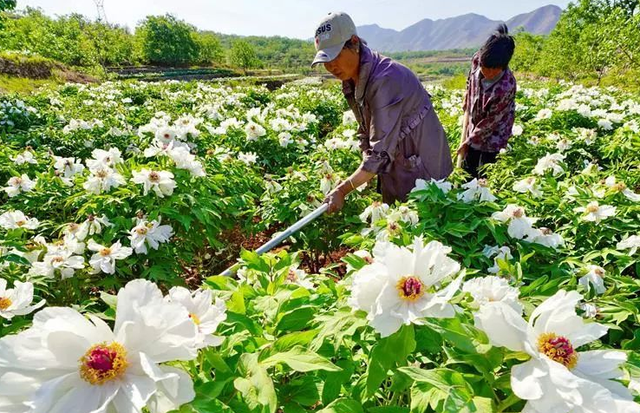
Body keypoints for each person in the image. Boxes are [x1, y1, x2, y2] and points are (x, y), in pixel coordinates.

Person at [312, 12, 453, 213]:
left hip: (421, 160)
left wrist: (343, 190)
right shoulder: (351, 80)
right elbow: (365, 129)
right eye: (325, 59)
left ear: (354, 43)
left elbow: (378, 154)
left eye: (335, 56)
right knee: (398, 223)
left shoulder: (385, 79)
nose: (331, 66)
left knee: (423, 221)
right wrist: (364, 163)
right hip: (396, 157)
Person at [457, 24, 516, 179]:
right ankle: (463, 190)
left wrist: (468, 141)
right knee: (467, 167)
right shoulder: (478, 59)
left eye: (493, 69)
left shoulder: (506, 86)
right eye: (485, 67)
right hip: (475, 118)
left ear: (504, 66)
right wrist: (466, 97)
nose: (488, 72)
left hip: (494, 132)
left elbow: (490, 122)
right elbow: (470, 80)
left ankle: (482, 196)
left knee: (485, 170)